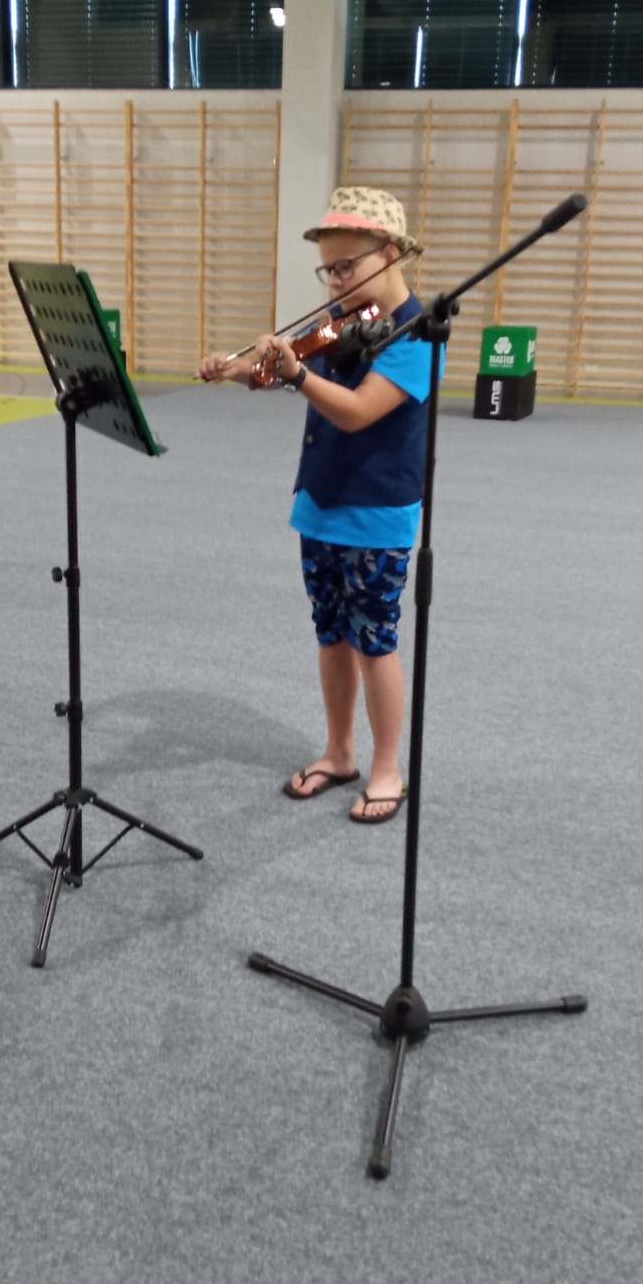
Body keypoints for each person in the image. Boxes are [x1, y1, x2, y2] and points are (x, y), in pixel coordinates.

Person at [198, 185, 440, 824]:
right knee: (331, 633)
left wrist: (297, 374)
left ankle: (387, 767)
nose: (335, 282)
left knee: (375, 641)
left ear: (390, 255)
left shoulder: (416, 336)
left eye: (347, 266)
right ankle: (339, 752)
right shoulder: (342, 322)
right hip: (320, 502)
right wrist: (237, 368)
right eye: (328, 269)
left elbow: (358, 411)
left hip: (376, 514)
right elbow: (282, 366)